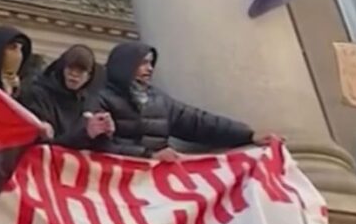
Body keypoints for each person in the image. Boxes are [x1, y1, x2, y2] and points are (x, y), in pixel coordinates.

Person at [97, 41, 272, 160]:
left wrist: (248, 135)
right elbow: (98, 146)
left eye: (151, 63)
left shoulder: (159, 100)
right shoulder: (100, 99)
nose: (149, 69)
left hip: (153, 184)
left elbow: (198, 122)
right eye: (143, 63)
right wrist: (148, 155)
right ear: (125, 65)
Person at [20, 44, 114, 150]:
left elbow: (101, 148)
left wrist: (105, 134)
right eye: (70, 69)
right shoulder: (39, 95)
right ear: (62, 69)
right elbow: (42, 144)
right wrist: (86, 134)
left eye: (81, 71)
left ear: (89, 76)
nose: (74, 74)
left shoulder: (91, 103)